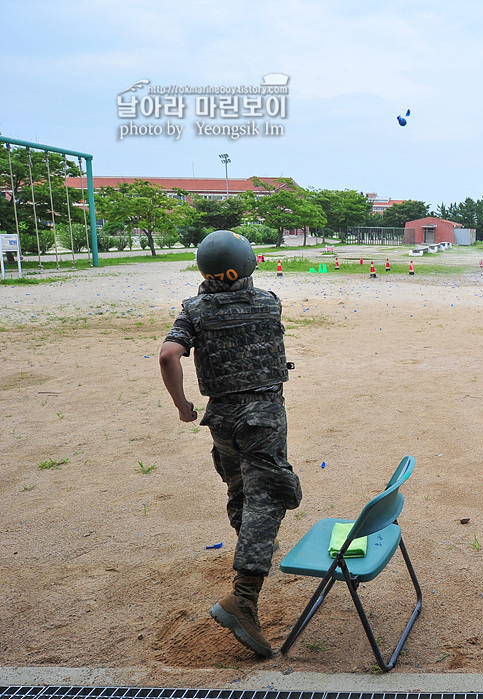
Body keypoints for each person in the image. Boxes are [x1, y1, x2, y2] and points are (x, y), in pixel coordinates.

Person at [159, 229, 301, 657]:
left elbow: (168, 355)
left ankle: (251, 543)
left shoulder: (194, 311)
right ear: (246, 264)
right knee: (272, 494)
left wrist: (183, 405)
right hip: (262, 416)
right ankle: (243, 597)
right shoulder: (268, 301)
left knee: (240, 486)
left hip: (221, 417)